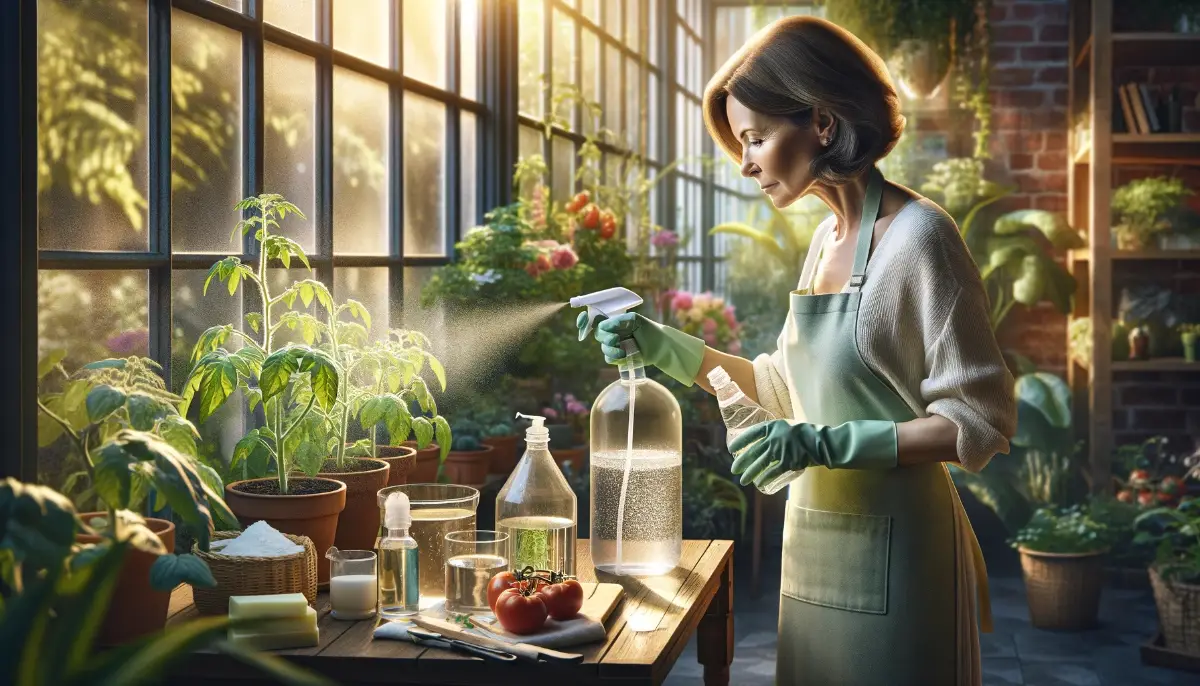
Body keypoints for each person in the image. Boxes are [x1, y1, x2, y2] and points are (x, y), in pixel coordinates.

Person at [577, 15, 1017, 686]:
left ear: (822, 123)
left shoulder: (921, 239)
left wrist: (823, 445)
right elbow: (781, 391)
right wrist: (664, 346)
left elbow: (978, 422)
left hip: (904, 559)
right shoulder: (826, 242)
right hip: (816, 547)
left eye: (755, 138)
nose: (746, 163)